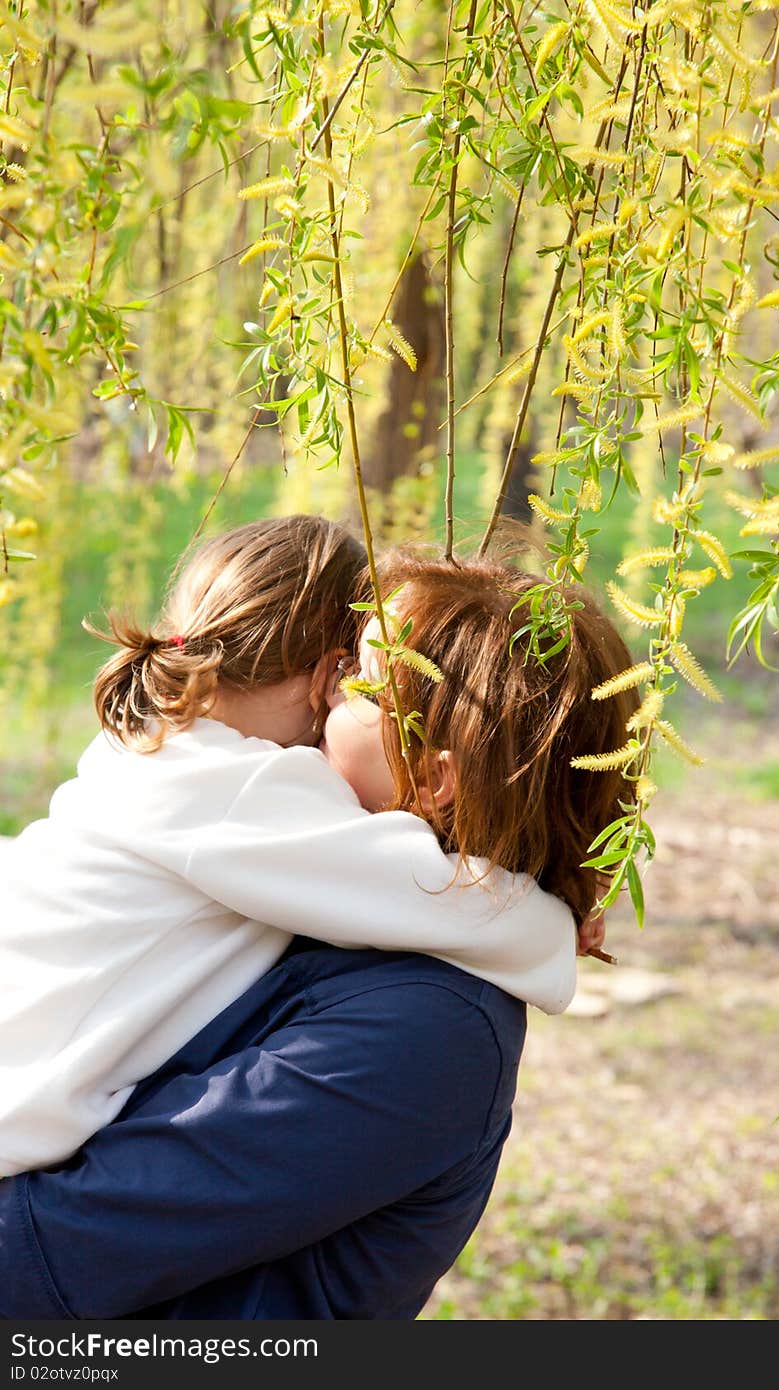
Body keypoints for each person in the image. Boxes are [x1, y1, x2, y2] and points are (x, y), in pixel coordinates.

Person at [0, 541, 637, 1321]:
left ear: (434, 777)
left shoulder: (430, 1022)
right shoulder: (302, 868)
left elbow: (48, 1257)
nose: (325, 697)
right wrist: (551, 920)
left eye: (358, 684)